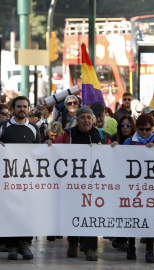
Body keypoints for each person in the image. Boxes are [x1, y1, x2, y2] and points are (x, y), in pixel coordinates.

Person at [48, 106, 111, 261]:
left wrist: (115, 146)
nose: (86, 120)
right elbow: (52, 148)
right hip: (73, 185)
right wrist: (47, 145)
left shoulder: (101, 136)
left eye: (89, 117)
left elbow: (114, 151)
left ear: (93, 120)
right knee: (74, 213)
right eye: (83, 117)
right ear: (77, 120)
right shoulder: (68, 136)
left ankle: (90, 248)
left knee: (91, 214)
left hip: (95, 186)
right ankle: (73, 242)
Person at [0, 96, 40, 260]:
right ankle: (12, 244)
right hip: (8, 178)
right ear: (13, 108)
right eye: (19, 106)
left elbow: (39, 153)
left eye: (25, 107)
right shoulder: (3, 127)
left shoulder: (34, 128)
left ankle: (24, 243)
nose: (22, 109)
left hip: (27, 179)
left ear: (28, 109)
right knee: (10, 210)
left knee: (27, 210)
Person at [119, 113, 154, 263]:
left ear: (152, 129)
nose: (144, 132)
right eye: (142, 129)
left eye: (147, 129)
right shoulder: (129, 142)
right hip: (132, 187)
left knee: (150, 218)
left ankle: (150, 250)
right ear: (137, 128)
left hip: (150, 188)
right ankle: (131, 246)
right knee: (133, 217)